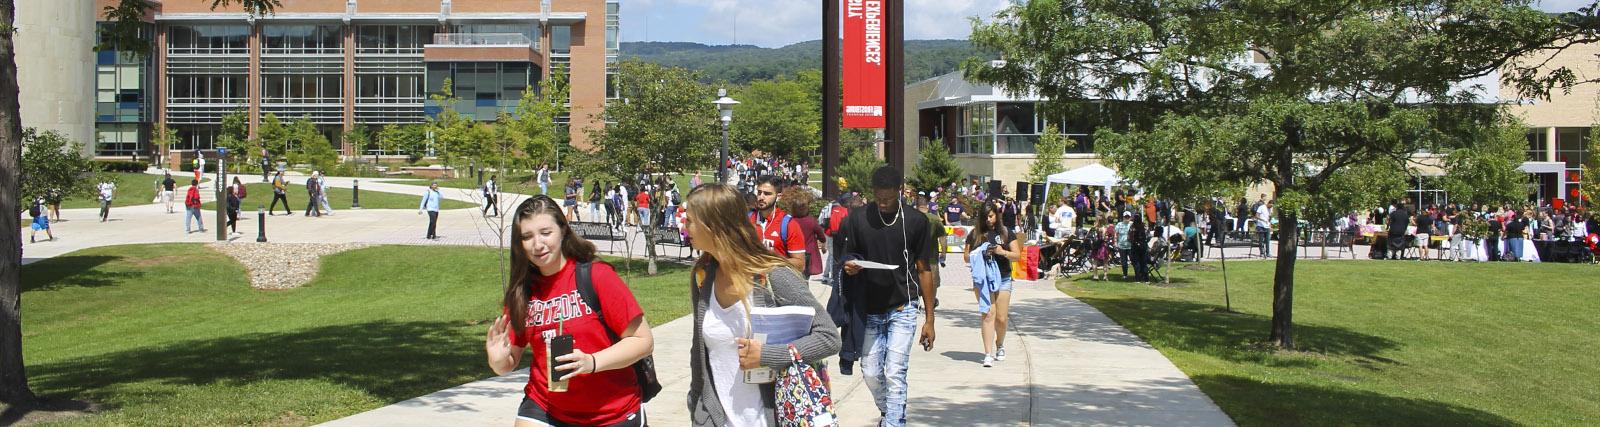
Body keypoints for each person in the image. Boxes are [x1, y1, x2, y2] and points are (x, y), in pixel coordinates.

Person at [485, 195, 655, 427]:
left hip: (611, 412)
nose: (537, 244)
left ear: (563, 230)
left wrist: (591, 362)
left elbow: (643, 341)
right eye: (527, 236)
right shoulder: (522, 292)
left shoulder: (596, 276)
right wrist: (498, 361)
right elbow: (509, 362)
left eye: (546, 233)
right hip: (546, 406)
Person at [683, 184, 840, 427]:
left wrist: (768, 355)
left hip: (771, 418)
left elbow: (829, 337)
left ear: (713, 224)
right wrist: (699, 410)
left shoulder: (773, 276)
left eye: (690, 220)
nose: (684, 227)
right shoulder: (703, 276)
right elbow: (698, 352)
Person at [834, 166, 937, 427]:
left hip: (903, 305)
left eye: (889, 198)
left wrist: (929, 319)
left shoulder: (916, 221)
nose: (883, 203)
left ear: (899, 192)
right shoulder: (857, 219)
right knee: (870, 372)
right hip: (868, 307)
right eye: (878, 197)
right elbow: (848, 255)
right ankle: (889, 412)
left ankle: (894, 422)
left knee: (895, 372)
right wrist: (849, 265)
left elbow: (924, 270)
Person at [966, 201, 1019, 367]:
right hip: (983, 279)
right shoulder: (975, 234)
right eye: (985, 217)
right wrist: (980, 251)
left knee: (1001, 318)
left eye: (991, 216)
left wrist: (1001, 251)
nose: (988, 220)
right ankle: (987, 353)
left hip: (1003, 277)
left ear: (997, 215)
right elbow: (966, 256)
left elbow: (1017, 255)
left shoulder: (1005, 233)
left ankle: (1000, 344)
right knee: (988, 314)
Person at [748, 175, 807, 272]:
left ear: (778, 196)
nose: (761, 197)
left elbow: (800, 264)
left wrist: (772, 260)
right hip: (750, 283)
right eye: (759, 192)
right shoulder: (747, 220)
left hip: (777, 283)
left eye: (767, 194)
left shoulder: (789, 224)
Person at [782, 186, 826, 281]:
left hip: (793, 254)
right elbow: (821, 234)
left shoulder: (790, 221)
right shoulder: (811, 221)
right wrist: (823, 241)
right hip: (809, 253)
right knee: (805, 279)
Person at [1115, 211, 1133, 278]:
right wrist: (1115, 242)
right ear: (1123, 217)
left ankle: (1137, 274)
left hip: (1130, 246)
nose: (1127, 218)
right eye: (1125, 217)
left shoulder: (1132, 224)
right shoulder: (1119, 224)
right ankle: (1125, 274)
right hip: (1121, 246)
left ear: (1130, 217)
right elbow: (1116, 234)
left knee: (1133, 260)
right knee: (1123, 261)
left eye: (1128, 217)